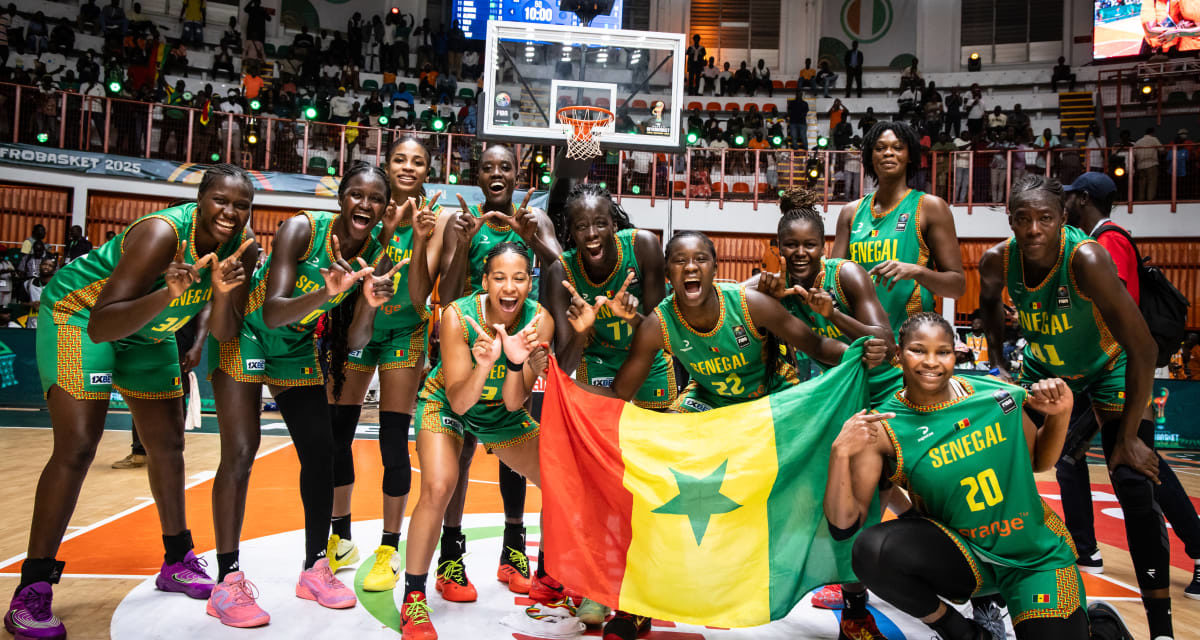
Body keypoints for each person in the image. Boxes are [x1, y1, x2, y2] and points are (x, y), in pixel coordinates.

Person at [4, 166, 256, 638]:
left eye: (242, 205)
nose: (231, 212)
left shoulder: (243, 247)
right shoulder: (162, 235)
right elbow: (103, 324)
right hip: (82, 315)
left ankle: (177, 558)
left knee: (168, 443)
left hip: (150, 326)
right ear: (200, 199)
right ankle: (31, 590)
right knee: (79, 445)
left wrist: (220, 295)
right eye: (221, 200)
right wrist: (168, 293)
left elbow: (225, 329)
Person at [829, 311, 1112, 640]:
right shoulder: (885, 426)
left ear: (956, 353)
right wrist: (839, 454)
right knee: (871, 550)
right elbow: (843, 526)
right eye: (918, 350)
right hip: (963, 556)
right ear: (898, 356)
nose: (931, 362)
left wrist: (1061, 414)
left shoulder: (993, 397)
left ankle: (1104, 630)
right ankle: (959, 631)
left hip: (1034, 556)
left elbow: (1040, 461)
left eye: (943, 352)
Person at [979, 175, 1175, 640]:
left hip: (1108, 365)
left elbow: (1143, 347)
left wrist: (1127, 437)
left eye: (1045, 218)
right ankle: (989, 598)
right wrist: (998, 361)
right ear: (1011, 221)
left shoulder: (1086, 257)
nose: (1033, 229)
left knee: (1132, 481)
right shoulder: (995, 260)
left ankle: (1162, 629)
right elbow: (988, 309)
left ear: (1063, 219)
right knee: (995, 464)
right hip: (1046, 371)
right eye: (1022, 219)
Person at [204, 163, 400, 627]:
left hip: (294, 349)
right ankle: (227, 581)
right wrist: (327, 293)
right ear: (341, 198)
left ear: (383, 208)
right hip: (248, 336)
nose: (365, 205)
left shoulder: (379, 254)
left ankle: (315, 568)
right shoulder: (301, 229)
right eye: (356, 194)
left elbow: (354, 342)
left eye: (375, 198)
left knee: (322, 452)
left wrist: (368, 307)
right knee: (240, 453)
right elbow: (272, 312)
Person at [398, 241, 555, 640]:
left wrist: (519, 363)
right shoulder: (457, 316)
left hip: (501, 412)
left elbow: (515, 401)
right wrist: (486, 364)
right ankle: (414, 597)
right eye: (499, 277)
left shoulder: (539, 320)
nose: (509, 286)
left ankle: (550, 579)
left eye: (519, 278)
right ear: (485, 281)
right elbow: (460, 400)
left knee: (561, 480)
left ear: (529, 282)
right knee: (437, 486)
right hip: (448, 404)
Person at [1057, 172, 1200, 597]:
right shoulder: (1094, 239)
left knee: (1138, 467)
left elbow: (1116, 305)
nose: (1064, 205)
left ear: (1084, 199)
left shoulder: (1109, 239)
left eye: (1069, 198)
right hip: (1098, 371)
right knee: (1069, 456)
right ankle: (1084, 549)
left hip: (1117, 374)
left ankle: (1196, 544)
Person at [434, 145, 563, 603]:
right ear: (478, 174)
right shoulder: (460, 223)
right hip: (468, 344)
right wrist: (463, 244)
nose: (496, 173)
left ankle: (514, 552)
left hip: (517, 345)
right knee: (462, 452)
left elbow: (562, 277)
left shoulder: (536, 220)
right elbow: (444, 296)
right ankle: (451, 557)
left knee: (513, 436)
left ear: (516, 174)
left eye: (505, 167)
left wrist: (541, 242)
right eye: (487, 167)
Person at [322, 138, 445, 594]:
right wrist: (389, 233)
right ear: (386, 164)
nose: (408, 167)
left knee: (392, 439)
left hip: (405, 330)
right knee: (339, 432)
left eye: (418, 160)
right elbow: (353, 279)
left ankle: (390, 549)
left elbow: (418, 295)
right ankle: (340, 535)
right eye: (400, 159)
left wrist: (419, 235)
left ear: (428, 169)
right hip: (361, 326)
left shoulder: (436, 218)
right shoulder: (367, 208)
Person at [832, 121, 966, 337]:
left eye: (897, 147)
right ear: (870, 157)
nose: (888, 153)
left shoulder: (930, 208)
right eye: (880, 148)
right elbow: (833, 281)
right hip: (860, 343)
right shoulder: (850, 212)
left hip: (910, 343)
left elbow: (957, 287)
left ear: (910, 155)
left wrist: (916, 271)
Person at [1133, 127, 1162, 201]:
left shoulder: (1138, 142)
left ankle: (1141, 200)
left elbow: (1134, 154)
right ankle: (1150, 200)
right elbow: (1162, 150)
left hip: (1140, 166)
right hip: (1151, 165)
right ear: (1152, 133)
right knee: (1152, 183)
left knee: (1142, 185)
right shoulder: (1154, 139)